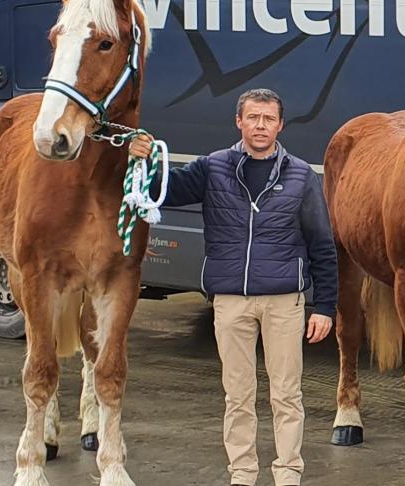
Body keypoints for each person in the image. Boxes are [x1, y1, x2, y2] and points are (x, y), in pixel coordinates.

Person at [130, 88, 337, 486]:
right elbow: (166, 189)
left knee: (286, 395)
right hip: (230, 302)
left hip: (284, 302)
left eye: (268, 119)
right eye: (253, 118)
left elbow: (322, 245)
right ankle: (242, 475)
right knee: (238, 396)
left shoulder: (301, 176)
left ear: (280, 124)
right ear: (238, 122)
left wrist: (325, 307)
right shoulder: (213, 168)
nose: (261, 126)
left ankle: (288, 473)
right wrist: (145, 163)